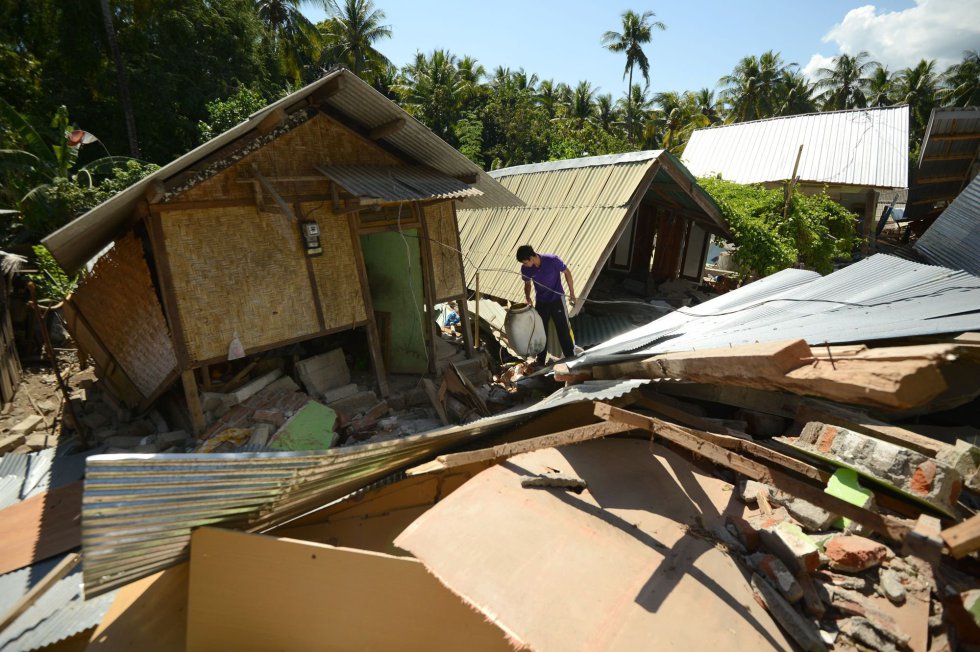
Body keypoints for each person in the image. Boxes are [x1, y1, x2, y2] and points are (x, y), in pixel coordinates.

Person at [516, 244, 576, 365]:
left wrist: (572, 293)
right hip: (542, 302)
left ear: (531, 258)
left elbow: (567, 272)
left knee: (563, 330)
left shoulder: (552, 260)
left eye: (525, 262)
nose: (524, 265)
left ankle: (571, 358)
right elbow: (527, 285)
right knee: (541, 332)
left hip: (557, 300)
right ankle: (540, 360)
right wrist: (528, 298)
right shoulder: (526, 269)